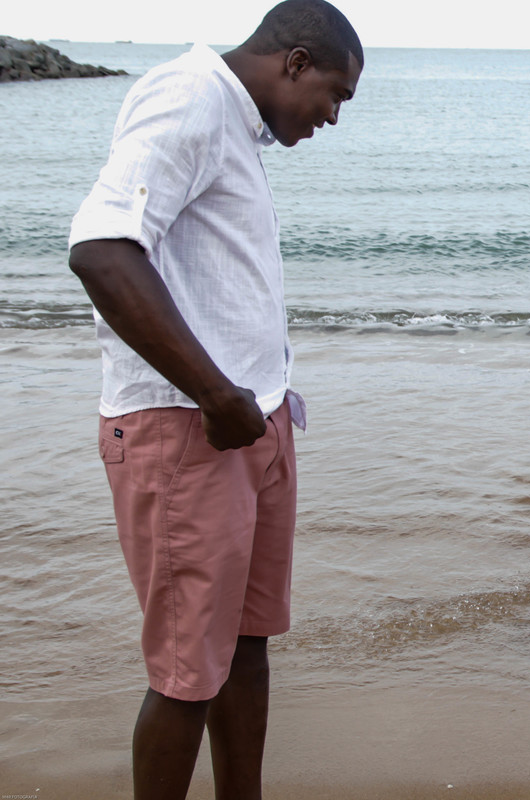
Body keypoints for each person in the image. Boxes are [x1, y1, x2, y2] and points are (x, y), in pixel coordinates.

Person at [66, 2, 362, 797]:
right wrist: (214, 392)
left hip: (253, 419)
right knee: (187, 669)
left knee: (248, 642)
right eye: (334, 94)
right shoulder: (190, 95)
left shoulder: (235, 122)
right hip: (190, 428)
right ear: (296, 62)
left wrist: (255, 402)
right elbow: (101, 248)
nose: (332, 117)